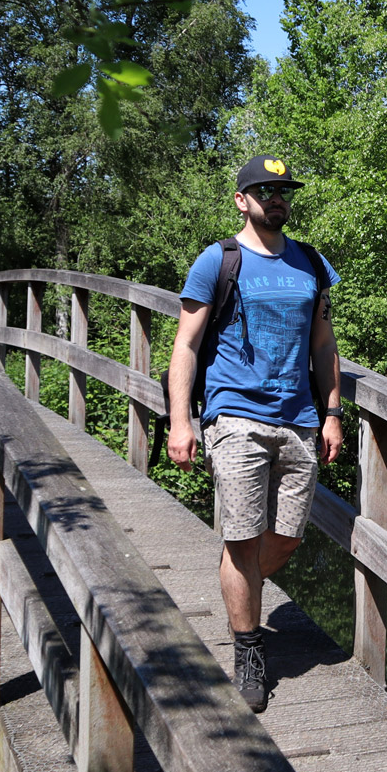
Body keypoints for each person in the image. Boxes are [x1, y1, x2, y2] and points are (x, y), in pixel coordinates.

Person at [166, 156, 343, 712]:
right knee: (242, 536)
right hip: (234, 413)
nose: (276, 199)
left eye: (283, 191)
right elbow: (186, 346)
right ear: (242, 200)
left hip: (298, 419)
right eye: (264, 191)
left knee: (286, 537)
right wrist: (179, 419)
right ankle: (248, 649)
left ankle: (236, 582)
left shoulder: (311, 264)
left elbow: (323, 345)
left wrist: (332, 412)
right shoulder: (218, 261)